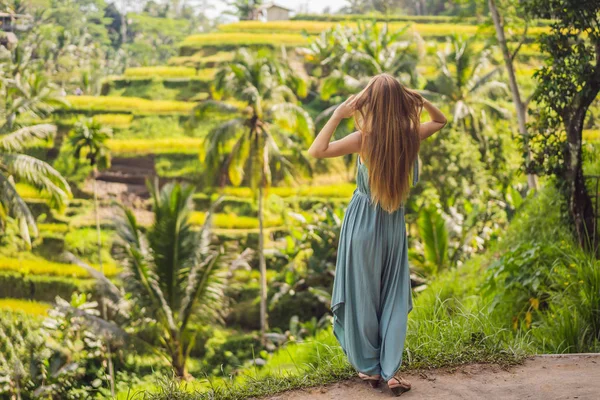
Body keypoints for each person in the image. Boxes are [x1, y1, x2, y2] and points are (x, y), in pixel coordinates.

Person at [308, 73, 447, 396]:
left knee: (363, 296)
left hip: (361, 224)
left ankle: (369, 368)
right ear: (401, 102)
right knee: (393, 297)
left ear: (368, 103)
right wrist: (419, 99)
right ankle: (392, 372)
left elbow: (318, 150)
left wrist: (337, 115)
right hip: (392, 227)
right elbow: (440, 121)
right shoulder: (410, 135)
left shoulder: (362, 138)